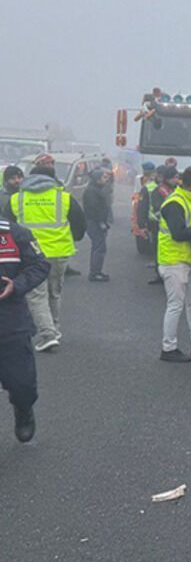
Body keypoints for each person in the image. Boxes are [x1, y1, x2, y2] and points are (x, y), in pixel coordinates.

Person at [8, 158, 87, 352]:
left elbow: (8, 227)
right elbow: (79, 223)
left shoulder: (17, 199)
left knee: (36, 295)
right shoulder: (64, 197)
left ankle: (47, 333)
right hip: (59, 252)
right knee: (54, 292)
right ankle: (55, 329)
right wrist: (73, 237)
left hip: (31, 254)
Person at [1, 209, 50, 442]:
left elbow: (40, 265)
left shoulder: (14, 233)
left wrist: (17, 285)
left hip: (10, 324)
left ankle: (23, 410)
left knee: (22, 385)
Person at [155, 165, 191, 362]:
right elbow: (179, 233)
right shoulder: (175, 203)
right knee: (175, 305)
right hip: (174, 260)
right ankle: (168, 348)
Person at [82, 165, 114, 282]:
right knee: (99, 248)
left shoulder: (94, 190)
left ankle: (96, 272)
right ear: (97, 179)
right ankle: (95, 273)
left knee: (98, 247)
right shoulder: (92, 192)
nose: (106, 180)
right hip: (94, 224)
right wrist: (101, 222)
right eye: (104, 177)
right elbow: (94, 209)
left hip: (94, 223)